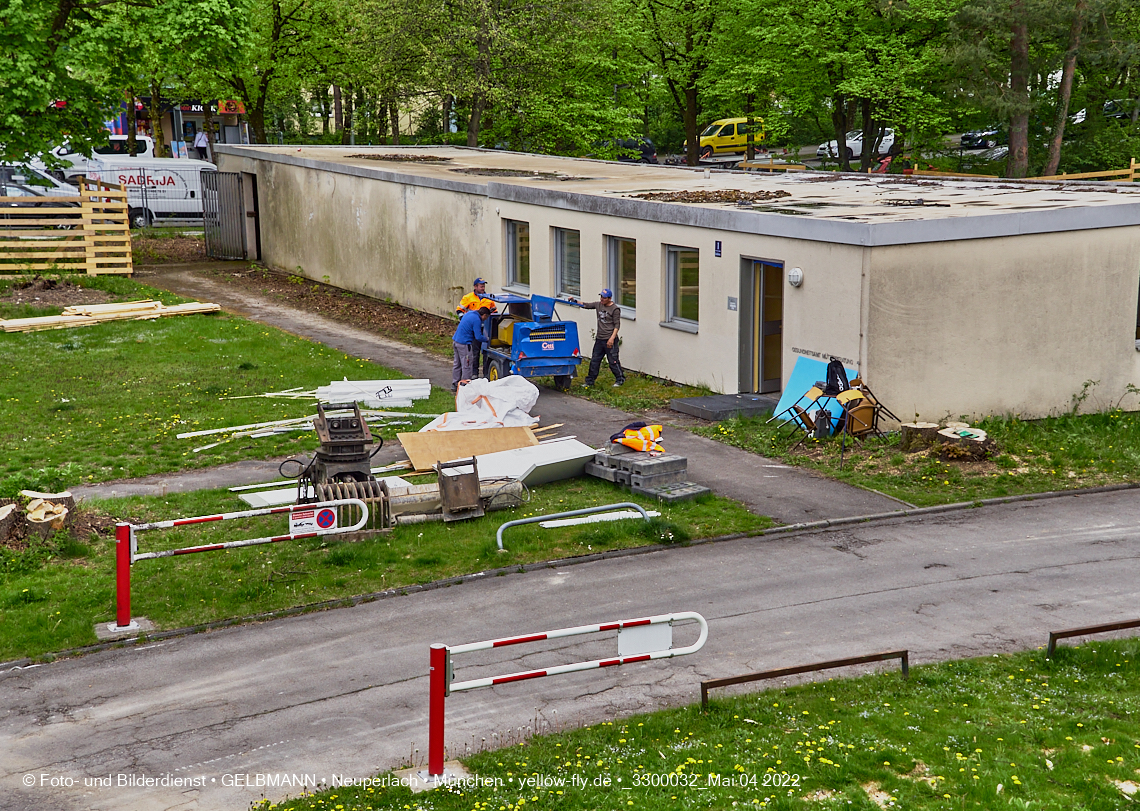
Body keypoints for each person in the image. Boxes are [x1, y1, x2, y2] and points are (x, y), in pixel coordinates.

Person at [569, 288, 625, 387]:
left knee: (613, 361)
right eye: (601, 297)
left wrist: (612, 338)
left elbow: (617, 325)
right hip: (600, 339)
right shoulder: (598, 305)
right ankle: (590, 381)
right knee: (595, 360)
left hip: (610, 339)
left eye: (604, 297)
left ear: (609, 298)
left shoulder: (615, 309)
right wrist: (574, 301)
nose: (602, 299)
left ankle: (620, 379)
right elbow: (586, 305)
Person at [456, 277, 497, 376]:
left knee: (487, 351)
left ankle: (486, 373)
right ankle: (474, 373)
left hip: (486, 329)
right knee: (475, 352)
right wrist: (465, 322)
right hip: (473, 330)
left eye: (484, 286)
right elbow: (459, 310)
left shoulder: (489, 298)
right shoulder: (468, 298)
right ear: (475, 287)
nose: (483, 288)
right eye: (481, 286)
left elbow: (495, 312)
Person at [452, 306, 490, 391]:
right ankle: (465, 385)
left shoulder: (469, 313)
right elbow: (478, 336)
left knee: (457, 364)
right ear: (483, 315)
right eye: (486, 317)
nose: (485, 319)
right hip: (464, 344)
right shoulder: (477, 320)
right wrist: (487, 339)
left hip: (456, 341)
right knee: (467, 365)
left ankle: (455, 383)